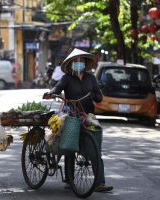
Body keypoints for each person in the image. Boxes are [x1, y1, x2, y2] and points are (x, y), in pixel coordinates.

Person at [43, 48, 113, 192]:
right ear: (71, 64)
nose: (78, 63)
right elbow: (58, 88)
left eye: (81, 61)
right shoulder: (67, 78)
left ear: (85, 63)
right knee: (70, 146)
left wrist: (94, 94)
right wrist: (51, 93)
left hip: (88, 116)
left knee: (95, 149)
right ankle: (70, 179)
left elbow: (99, 97)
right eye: (76, 61)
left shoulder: (91, 78)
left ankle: (99, 183)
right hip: (71, 115)